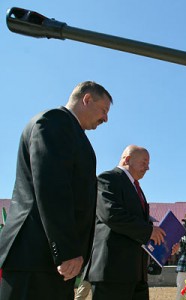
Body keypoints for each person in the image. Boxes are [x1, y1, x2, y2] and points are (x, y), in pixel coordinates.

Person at [0, 81, 112, 300]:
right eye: (103, 110)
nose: (105, 118)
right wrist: (66, 250)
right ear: (87, 99)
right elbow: (52, 187)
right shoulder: (54, 122)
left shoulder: (71, 132)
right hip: (35, 257)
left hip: (51, 262)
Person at [86, 145, 165, 300]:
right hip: (113, 271)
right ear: (127, 159)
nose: (147, 168)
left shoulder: (137, 189)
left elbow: (139, 225)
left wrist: (163, 241)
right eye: (144, 162)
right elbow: (111, 214)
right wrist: (149, 231)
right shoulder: (108, 179)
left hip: (137, 273)